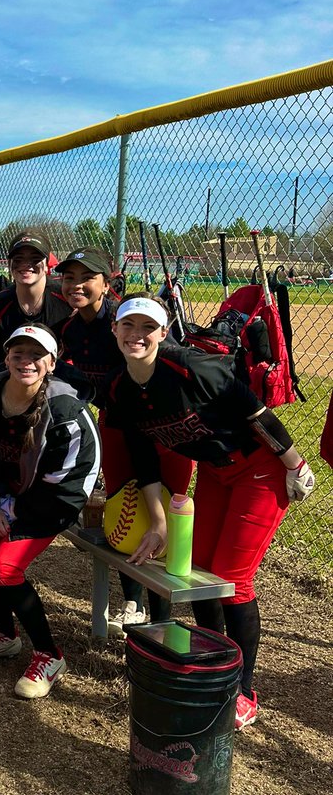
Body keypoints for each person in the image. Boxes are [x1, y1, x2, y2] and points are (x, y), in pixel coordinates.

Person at [105, 295, 315, 730]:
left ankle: (243, 690)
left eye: (148, 327)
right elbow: (144, 457)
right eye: (128, 326)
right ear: (116, 331)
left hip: (260, 469)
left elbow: (257, 414)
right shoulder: (120, 388)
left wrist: (295, 464)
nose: (136, 335)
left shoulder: (192, 368)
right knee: (200, 572)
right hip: (219, 473)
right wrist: (159, 523)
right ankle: (215, 663)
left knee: (233, 580)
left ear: (164, 334)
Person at [0, 325, 101, 697]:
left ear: (51, 363)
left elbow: (68, 479)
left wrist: (14, 510)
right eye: (18, 353)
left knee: (5, 568)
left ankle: (50, 654)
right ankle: (5, 635)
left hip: (53, 499)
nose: (27, 362)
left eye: (37, 355)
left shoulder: (65, 409)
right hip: (3, 496)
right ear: (5, 358)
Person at [55, 248, 194, 632]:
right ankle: (133, 601)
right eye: (68, 277)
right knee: (125, 507)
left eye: (87, 277)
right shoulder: (70, 329)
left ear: (107, 283)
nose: (76, 284)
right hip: (115, 425)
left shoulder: (127, 322)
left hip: (161, 428)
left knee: (165, 509)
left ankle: (162, 614)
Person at [0, 232, 71, 366]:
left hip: (61, 380)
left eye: (35, 258)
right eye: (19, 259)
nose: (26, 264)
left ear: (47, 264)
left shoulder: (67, 299)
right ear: (9, 264)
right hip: (15, 378)